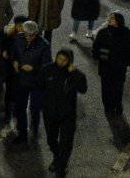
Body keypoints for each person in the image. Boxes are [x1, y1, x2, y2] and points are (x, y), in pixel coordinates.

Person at [40, 48, 87, 177]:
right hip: (50, 114)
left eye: (64, 60)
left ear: (70, 61)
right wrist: (43, 106)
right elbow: (40, 88)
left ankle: (61, 169)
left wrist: (74, 73)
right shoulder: (47, 70)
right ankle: (57, 157)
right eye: (59, 58)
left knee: (65, 144)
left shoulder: (75, 75)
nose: (60, 62)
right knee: (51, 140)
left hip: (67, 115)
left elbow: (83, 89)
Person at [11, 20, 51, 143]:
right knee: (20, 108)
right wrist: (14, 61)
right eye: (26, 34)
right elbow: (14, 52)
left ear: (37, 33)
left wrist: (33, 68)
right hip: (22, 80)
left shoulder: (44, 45)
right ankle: (22, 135)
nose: (28, 38)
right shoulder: (18, 38)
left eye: (31, 35)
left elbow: (47, 66)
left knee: (34, 108)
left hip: (36, 82)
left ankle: (34, 127)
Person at [93, 12, 130, 115]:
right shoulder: (103, 32)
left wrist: (129, 60)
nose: (109, 19)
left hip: (119, 66)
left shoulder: (126, 32)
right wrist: (97, 55)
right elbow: (96, 46)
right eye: (109, 18)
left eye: (112, 18)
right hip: (105, 66)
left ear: (118, 21)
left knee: (118, 86)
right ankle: (108, 106)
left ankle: (117, 105)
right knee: (106, 87)